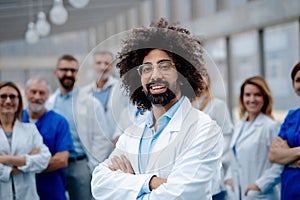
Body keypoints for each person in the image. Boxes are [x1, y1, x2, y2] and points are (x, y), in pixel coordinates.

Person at [91, 18, 223, 199]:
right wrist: (150, 182)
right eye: (146, 68)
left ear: (183, 74)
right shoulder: (132, 133)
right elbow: (99, 183)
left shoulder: (203, 130)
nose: (155, 75)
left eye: (165, 66)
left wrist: (128, 186)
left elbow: (181, 195)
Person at [46, 54, 113, 200]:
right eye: (64, 70)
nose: (69, 74)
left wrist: (91, 166)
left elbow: (102, 137)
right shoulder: (49, 104)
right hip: (54, 165)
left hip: (80, 165)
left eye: (73, 70)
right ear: (56, 72)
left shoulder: (91, 103)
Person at [224, 76, 282, 200]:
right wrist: (229, 178)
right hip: (237, 194)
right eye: (248, 95)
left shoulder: (270, 126)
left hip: (260, 195)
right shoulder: (239, 126)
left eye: (257, 95)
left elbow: (280, 164)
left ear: (265, 98)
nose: (252, 99)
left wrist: (259, 186)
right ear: (242, 98)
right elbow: (234, 158)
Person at [22, 77, 74, 200]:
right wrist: (40, 160)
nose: (37, 96)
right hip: (21, 191)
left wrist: (23, 163)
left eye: (42, 93)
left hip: (51, 192)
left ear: (48, 96)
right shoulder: (16, 120)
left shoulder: (59, 122)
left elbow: (61, 160)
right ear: (25, 93)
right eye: (33, 92)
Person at [0, 81, 51, 200]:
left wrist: (6, 159)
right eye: (3, 96)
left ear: (19, 101)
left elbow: (44, 159)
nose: (8, 101)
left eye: (12, 96)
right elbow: (35, 161)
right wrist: (25, 161)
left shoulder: (30, 130)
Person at [192, 70, 233, 200]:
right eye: (196, 77)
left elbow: (227, 136)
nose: (201, 80)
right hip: (190, 171)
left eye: (203, 76)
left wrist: (215, 157)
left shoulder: (218, 105)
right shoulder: (186, 105)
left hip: (211, 168)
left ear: (208, 80)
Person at [268, 61, 300, 200]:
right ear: (293, 85)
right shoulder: (291, 116)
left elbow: (280, 155)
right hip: (290, 188)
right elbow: (273, 155)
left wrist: (287, 155)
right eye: (298, 80)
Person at [83, 51, 130, 143]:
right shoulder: (85, 92)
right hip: (95, 146)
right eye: (98, 63)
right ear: (93, 65)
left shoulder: (122, 89)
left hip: (117, 143)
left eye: (106, 63)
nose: (102, 67)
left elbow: (128, 116)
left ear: (112, 66)